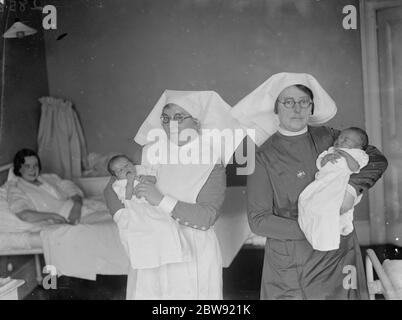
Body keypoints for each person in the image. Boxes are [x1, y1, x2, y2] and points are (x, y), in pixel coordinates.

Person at [231, 72, 388, 299]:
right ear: (276, 108)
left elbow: (375, 158)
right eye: (289, 102)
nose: (297, 108)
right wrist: (317, 225)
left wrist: (352, 189)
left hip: (339, 255)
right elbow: (259, 221)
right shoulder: (263, 157)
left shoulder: (330, 137)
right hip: (293, 262)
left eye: (304, 102)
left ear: (312, 107)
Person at [104, 90, 241, 300]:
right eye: (166, 118)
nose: (170, 124)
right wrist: (124, 218)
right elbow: (112, 188)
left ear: (197, 122)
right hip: (151, 248)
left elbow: (206, 217)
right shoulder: (149, 152)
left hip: (193, 250)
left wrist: (160, 200)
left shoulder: (211, 160)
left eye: (179, 117)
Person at [107, 154, 191, 271]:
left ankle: (171, 253)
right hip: (136, 206)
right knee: (145, 228)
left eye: (127, 165)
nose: (126, 169)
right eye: (121, 170)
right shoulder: (118, 184)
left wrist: (146, 178)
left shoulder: (141, 170)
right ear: (116, 175)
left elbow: (155, 179)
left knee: (166, 223)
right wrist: (130, 182)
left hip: (152, 201)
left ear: (132, 163)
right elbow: (128, 196)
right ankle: (150, 257)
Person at [298, 127, 370, 251]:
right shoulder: (331, 150)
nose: (339, 140)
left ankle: (327, 240)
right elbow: (320, 164)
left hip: (338, 183)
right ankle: (311, 230)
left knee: (327, 207)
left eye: (345, 139)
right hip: (322, 181)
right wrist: (326, 159)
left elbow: (355, 168)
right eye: (339, 137)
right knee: (305, 201)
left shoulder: (359, 154)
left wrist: (346, 155)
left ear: (358, 146)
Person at [7, 148, 85, 225]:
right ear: (19, 168)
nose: (33, 170)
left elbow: (70, 187)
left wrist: (77, 205)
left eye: (35, 165)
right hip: (65, 221)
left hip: (80, 208)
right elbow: (24, 215)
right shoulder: (16, 188)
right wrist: (52, 216)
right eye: (27, 166)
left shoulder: (49, 177)